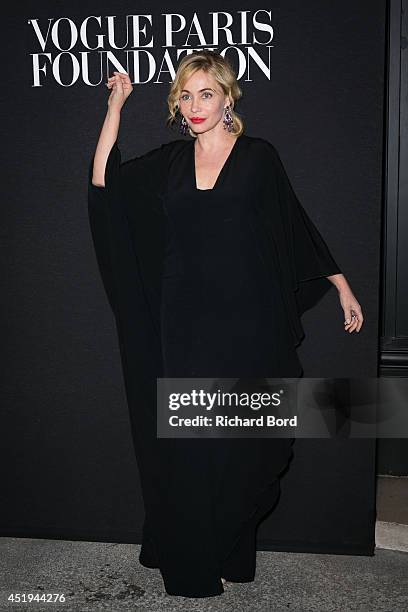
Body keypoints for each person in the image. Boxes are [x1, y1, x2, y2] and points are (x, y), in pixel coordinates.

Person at [88, 50, 364, 598]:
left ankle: (232, 545)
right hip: (181, 325)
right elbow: (104, 183)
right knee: (191, 449)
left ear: (227, 97)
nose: (194, 106)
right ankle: (193, 559)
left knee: (252, 445)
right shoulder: (167, 162)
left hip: (247, 324)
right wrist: (116, 106)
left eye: (205, 94)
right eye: (184, 96)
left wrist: (340, 283)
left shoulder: (258, 157)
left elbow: (292, 224)